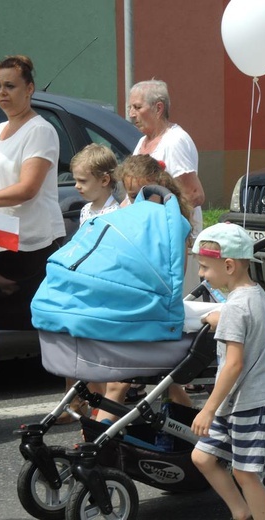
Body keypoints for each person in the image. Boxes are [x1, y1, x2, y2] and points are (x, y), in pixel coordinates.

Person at [0, 55, 65, 394]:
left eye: (9, 86)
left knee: (57, 324)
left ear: (29, 89)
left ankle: (83, 401)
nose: (1, 93)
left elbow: (27, 189)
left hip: (30, 246)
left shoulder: (40, 130)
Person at [94, 154, 194, 424]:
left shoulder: (171, 224)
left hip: (151, 311)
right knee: (169, 384)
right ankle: (198, 440)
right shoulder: (130, 218)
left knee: (118, 385)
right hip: (136, 308)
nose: (134, 202)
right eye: (129, 195)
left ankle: (97, 443)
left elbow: (175, 277)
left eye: (140, 194)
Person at [191, 223, 265, 520]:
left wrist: (207, 409)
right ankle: (240, 512)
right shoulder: (253, 295)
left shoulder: (235, 309)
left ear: (228, 265)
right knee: (202, 456)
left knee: (245, 474)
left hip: (248, 402)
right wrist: (220, 317)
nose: (201, 274)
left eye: (204, 267)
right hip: (234, 401)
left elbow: (234, 363)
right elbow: (242, 322)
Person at [56, 144, 120, 424]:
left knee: (99, 359)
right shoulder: (86, 211)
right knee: (85, 354)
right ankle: (91, 407)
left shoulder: (115, 214)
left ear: (104, 180)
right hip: (85, 289)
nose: (77, 186)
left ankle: (103, 411)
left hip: (102, 291)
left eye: (83, 181)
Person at [128, 79, 205, 296]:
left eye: (137, 107)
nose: (131, 114)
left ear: (158, 108)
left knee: (180, 303)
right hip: (150, 239)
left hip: (175, 241)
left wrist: (163, 223)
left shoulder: (174, 141)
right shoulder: (142, 142)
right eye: (130, 107)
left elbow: (194, 194)